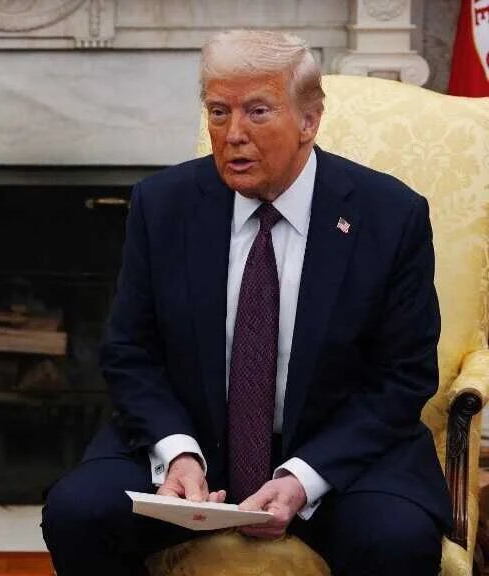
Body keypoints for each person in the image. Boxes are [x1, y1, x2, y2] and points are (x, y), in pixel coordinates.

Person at [42, 29, 450, 575]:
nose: (233, 134)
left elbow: (404, 377)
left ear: (309, 120)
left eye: (258, 111)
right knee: (79, 512)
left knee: (395, 540)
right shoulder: (163, 205)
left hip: (339, 452)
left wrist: (302, 478)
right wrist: (178, 451)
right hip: (194, 442)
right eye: (217, 112)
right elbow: (129, 352)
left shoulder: (389, 216)